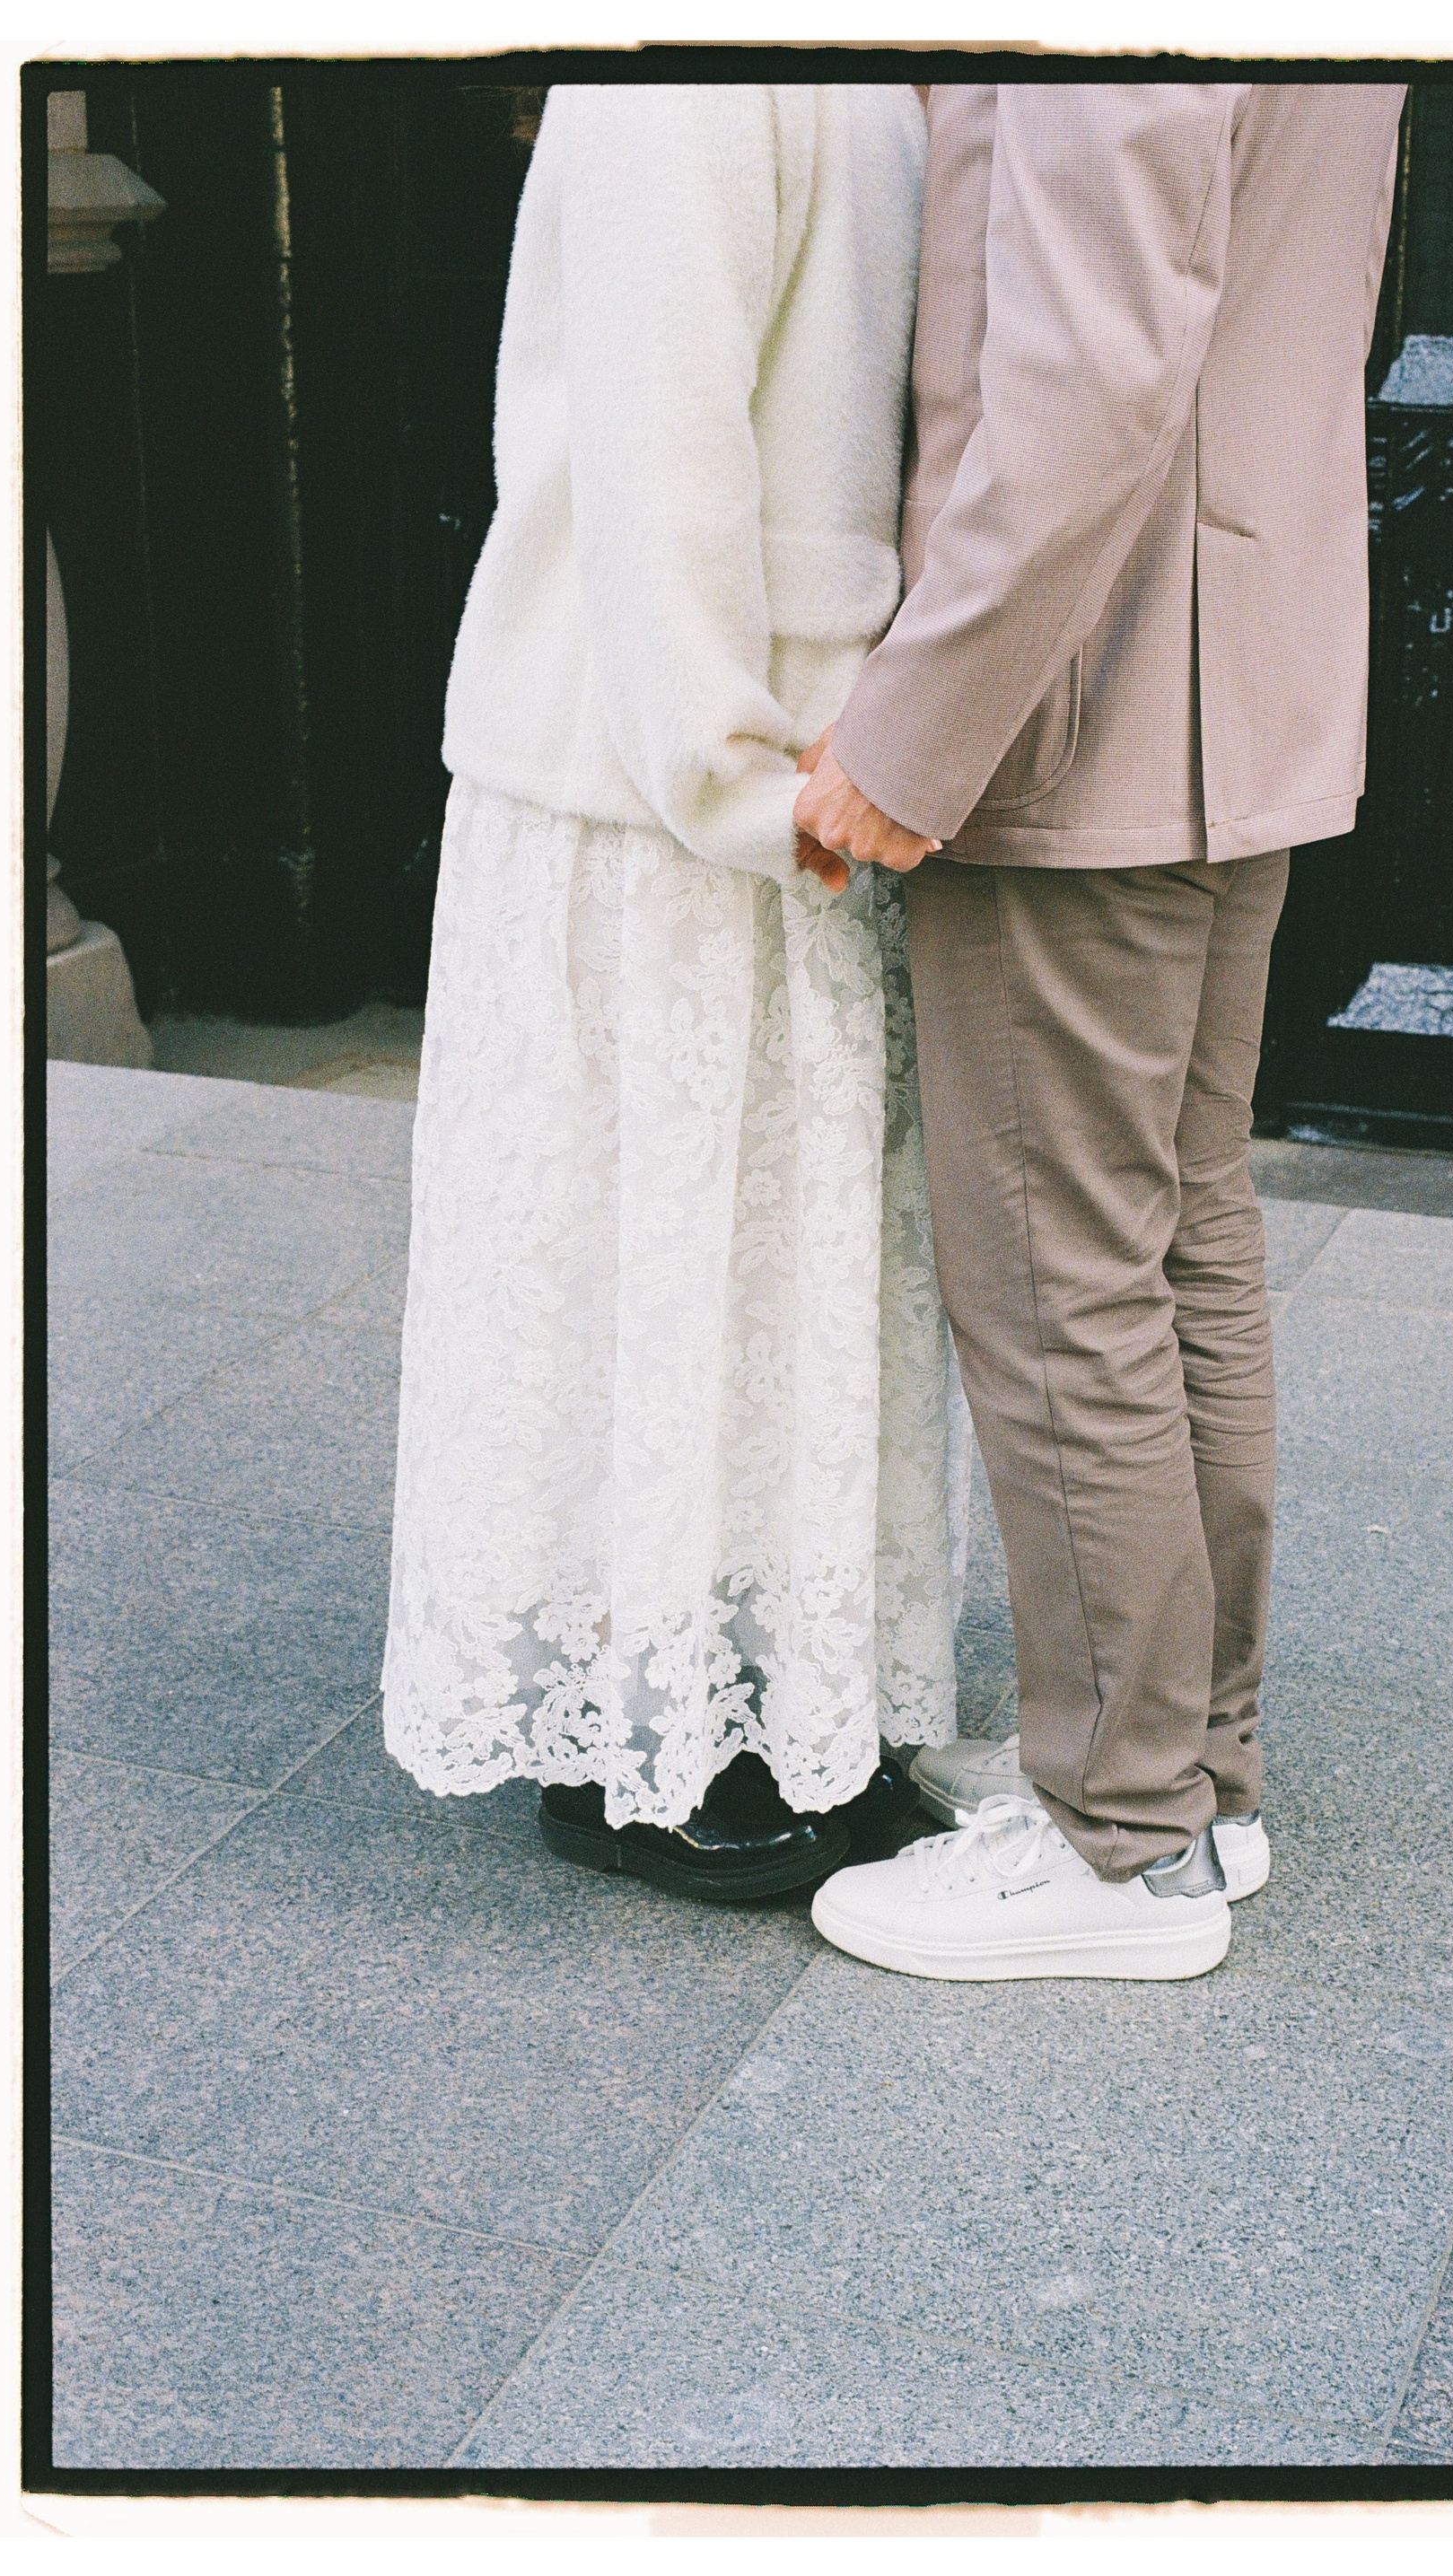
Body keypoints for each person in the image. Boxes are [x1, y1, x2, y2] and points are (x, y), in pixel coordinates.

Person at [795, 80, 1407, 1981]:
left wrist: (915, 728)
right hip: (1234, 672)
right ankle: (1192, 1781)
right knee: (1177, 1233)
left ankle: (1117, 1840)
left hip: (1091, 697)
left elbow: (1085, 375)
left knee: (1063, 1272)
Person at [381, 82, 965, 1902]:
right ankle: (643, 1741)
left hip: (792, 759)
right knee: (646, 1258)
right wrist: (729, 774)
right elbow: (658, 451)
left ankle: (776, 1698)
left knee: (771, 1268)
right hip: (657, 780)